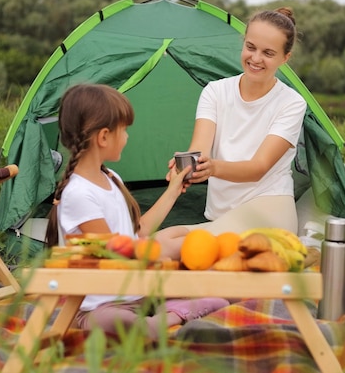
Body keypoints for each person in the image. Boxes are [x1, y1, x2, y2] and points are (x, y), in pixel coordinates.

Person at [44, 83, 229, 339]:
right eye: (124, 130)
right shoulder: (78, 194)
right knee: (122, 323)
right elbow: (116, 256)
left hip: (137, 291)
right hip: (100, 305)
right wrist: (169, 253)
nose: (128, 137)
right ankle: (172, 315)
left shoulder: (110, 177)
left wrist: (173, 190)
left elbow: (137, 232)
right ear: (104, 137)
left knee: (219, 287)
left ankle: (165, 312)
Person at [156, 7, 307, 260]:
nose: (256, 58)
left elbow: (258, 167)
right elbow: (200, 151)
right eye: (251, 47)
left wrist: (212, 168)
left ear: (285, 58)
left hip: (268, 213)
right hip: (222, 215)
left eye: (268, 53)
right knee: (161, 239)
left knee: (165, 250)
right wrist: (188, 167)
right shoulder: (215, 92)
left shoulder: (291, 103)